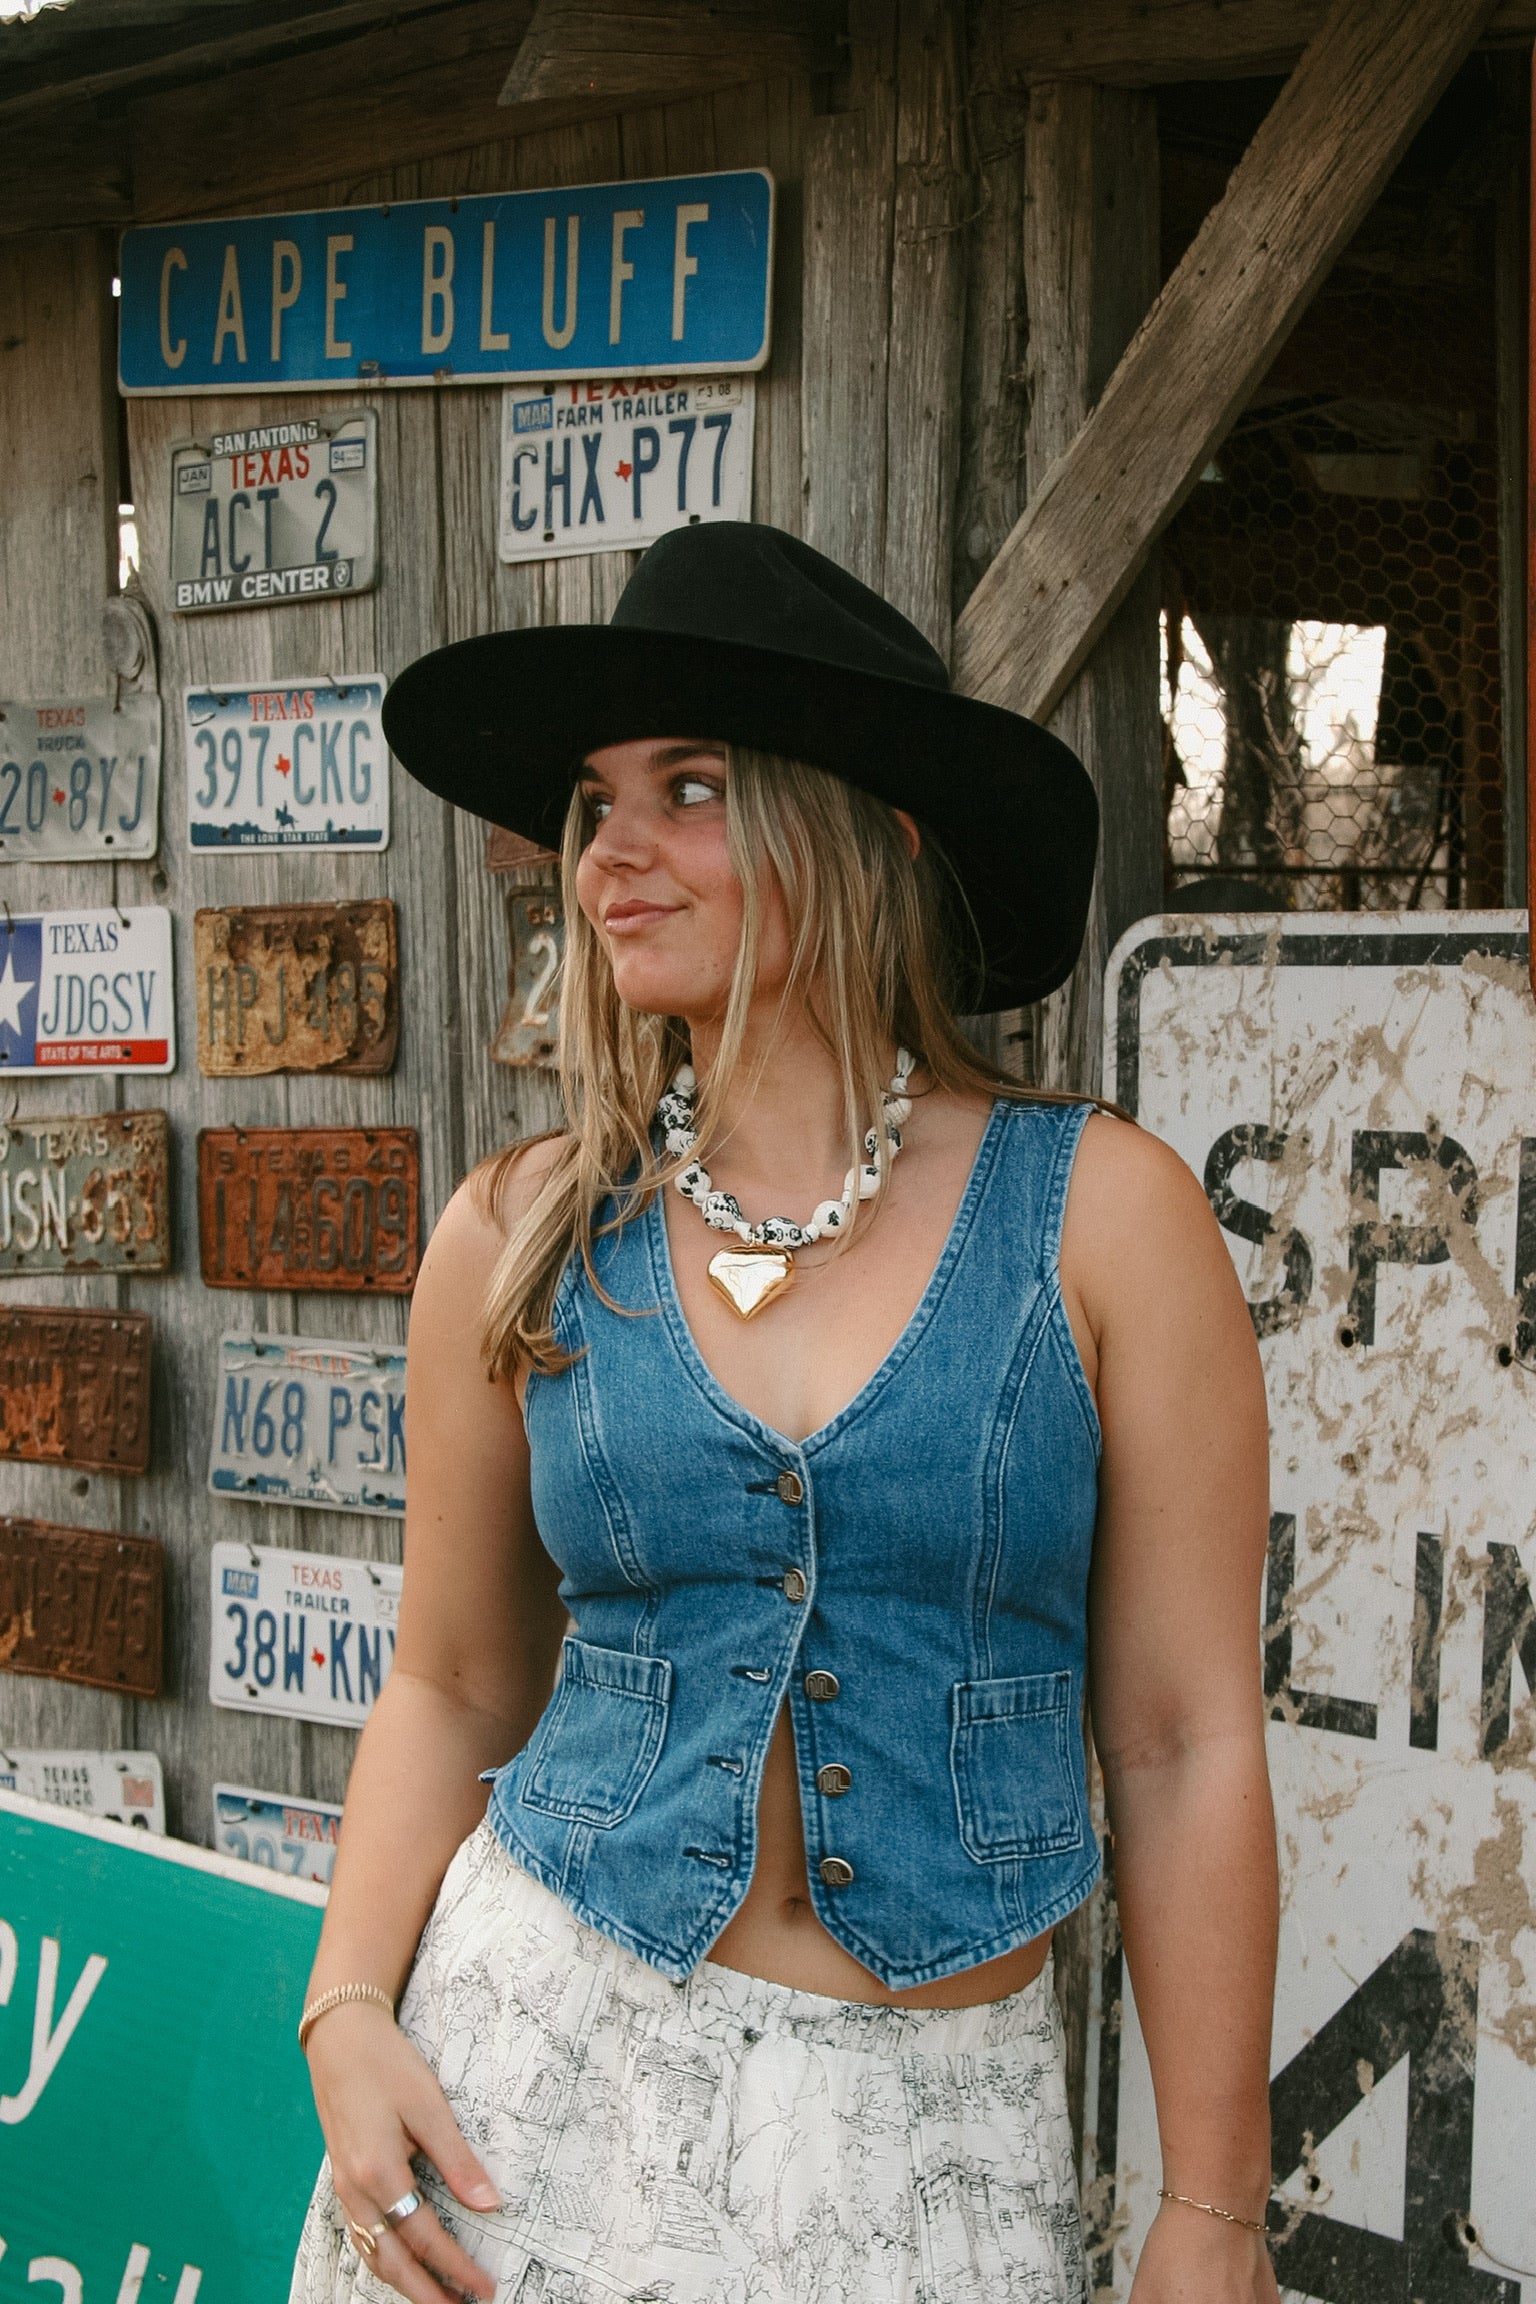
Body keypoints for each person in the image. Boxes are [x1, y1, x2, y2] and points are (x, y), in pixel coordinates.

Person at [291, 523, 1279, 2304]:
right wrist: (348, 2005)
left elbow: (1184, 1740)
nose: (615, 852)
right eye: (595, 803)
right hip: (528, 2082)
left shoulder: (1105, 1218)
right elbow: (449, 1683)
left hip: (925, 2145)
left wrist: (1215, 2208)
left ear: (869, 832)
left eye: (690, 789)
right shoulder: (521, 1234)